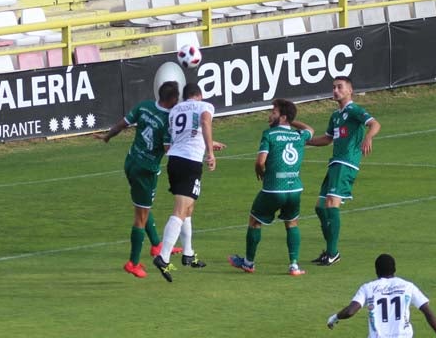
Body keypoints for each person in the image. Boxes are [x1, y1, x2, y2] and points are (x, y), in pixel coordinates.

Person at [96, 81, 182, 278]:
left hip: (131, 161)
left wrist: (107, 137)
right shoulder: (169, 119)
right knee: (140, 217)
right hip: (146, 171)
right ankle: (133, 263)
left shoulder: (144, 106)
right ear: (172, 99)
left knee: (142, 205)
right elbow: (169, 150)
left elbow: (122, 124)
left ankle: (156, 245)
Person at [228, 98, 313, 277]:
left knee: (254, 221)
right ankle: (294, 266)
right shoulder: (299, 136)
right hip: (295, 189)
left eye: (273, 112)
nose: (269, 115)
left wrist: (260, 171)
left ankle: (249, 263)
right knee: (292, 223)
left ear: (282, 117)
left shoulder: (269, 134)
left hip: (274, 189)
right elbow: (310, 130)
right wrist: (291, 120)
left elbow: (260, 162)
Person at [151, 83, 225, 282]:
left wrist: (210, 142)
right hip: (190, 162)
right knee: (180, 210)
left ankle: (188, 253)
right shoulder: (205, 106)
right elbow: (204, 122)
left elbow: (187, 133)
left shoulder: (175, 110)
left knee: (188, 209)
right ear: (199, 95)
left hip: (175, 160)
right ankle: (163, 257)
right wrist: (209, 152)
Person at [305, 76, 380, 266]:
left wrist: (368, 138)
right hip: (334, 163)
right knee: (320, 207)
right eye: (334, 87)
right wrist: (304, 141)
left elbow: (375, 124)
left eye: (340, 87)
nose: (335, 90)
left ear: (350, 90)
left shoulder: (354, 110)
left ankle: (332, 253)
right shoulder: (336, 115)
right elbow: (327, 139)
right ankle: (331, 251)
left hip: (346, 163)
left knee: (331, 205)